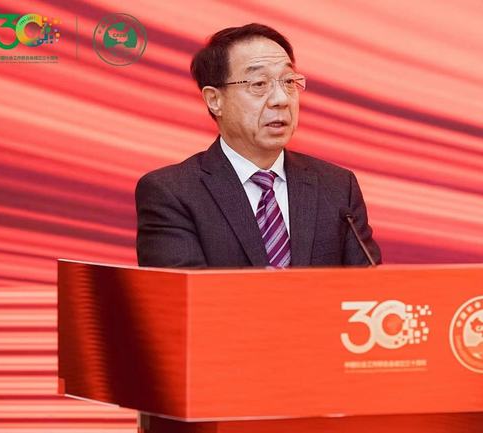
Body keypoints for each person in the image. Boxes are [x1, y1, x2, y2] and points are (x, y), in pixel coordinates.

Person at [135, 23, 381, 268]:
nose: (281, 99)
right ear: (215, 100)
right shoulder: (173, 192)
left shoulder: (337, 187)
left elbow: (370, 287)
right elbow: (185, 290)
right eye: (259, 84)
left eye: (288, 82)